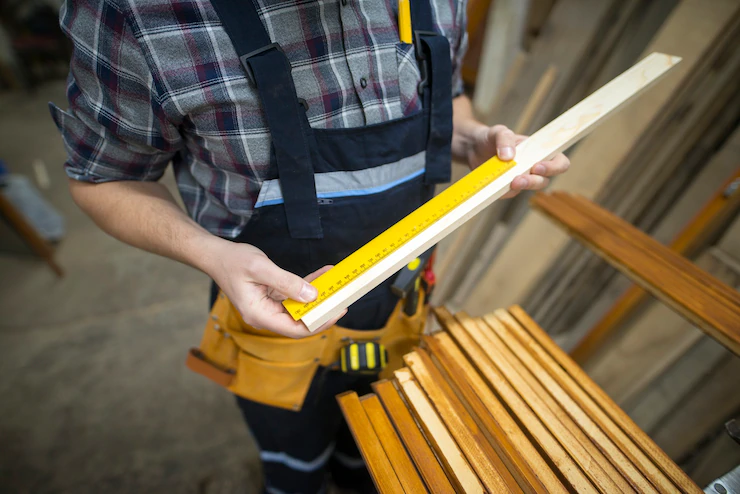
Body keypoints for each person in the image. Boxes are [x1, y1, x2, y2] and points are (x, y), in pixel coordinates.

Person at [51, 0, 570, 492]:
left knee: (381, 457)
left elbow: (447, 98)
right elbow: (103, 179)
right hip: (274, 340)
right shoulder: (136, 14)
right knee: (295, 472)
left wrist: (474, 139)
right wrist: (212, 254)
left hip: (403, 309)